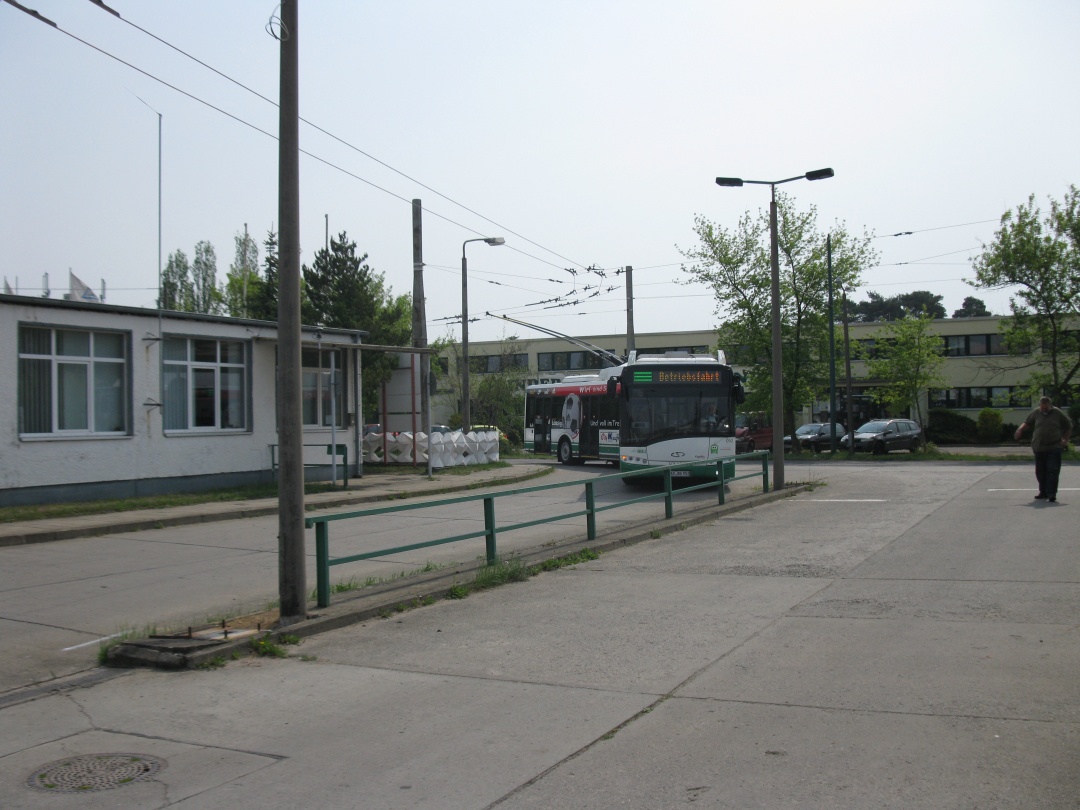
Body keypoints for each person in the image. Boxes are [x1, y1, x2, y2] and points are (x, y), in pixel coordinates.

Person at [1014, 396, 1072, 502]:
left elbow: (1068, 426)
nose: (1043, 410)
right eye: (1042, 408)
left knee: (1052, 471)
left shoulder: (1057, 413)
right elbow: (1028, 423)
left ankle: (1051, 494)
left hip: (1054, 447)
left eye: (1046, 408)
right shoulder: (1036, 412)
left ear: (1050, 405)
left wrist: (1065, 440)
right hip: (1039, 447)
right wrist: (1020, 429)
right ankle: (1043, 492)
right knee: (1040, 472)